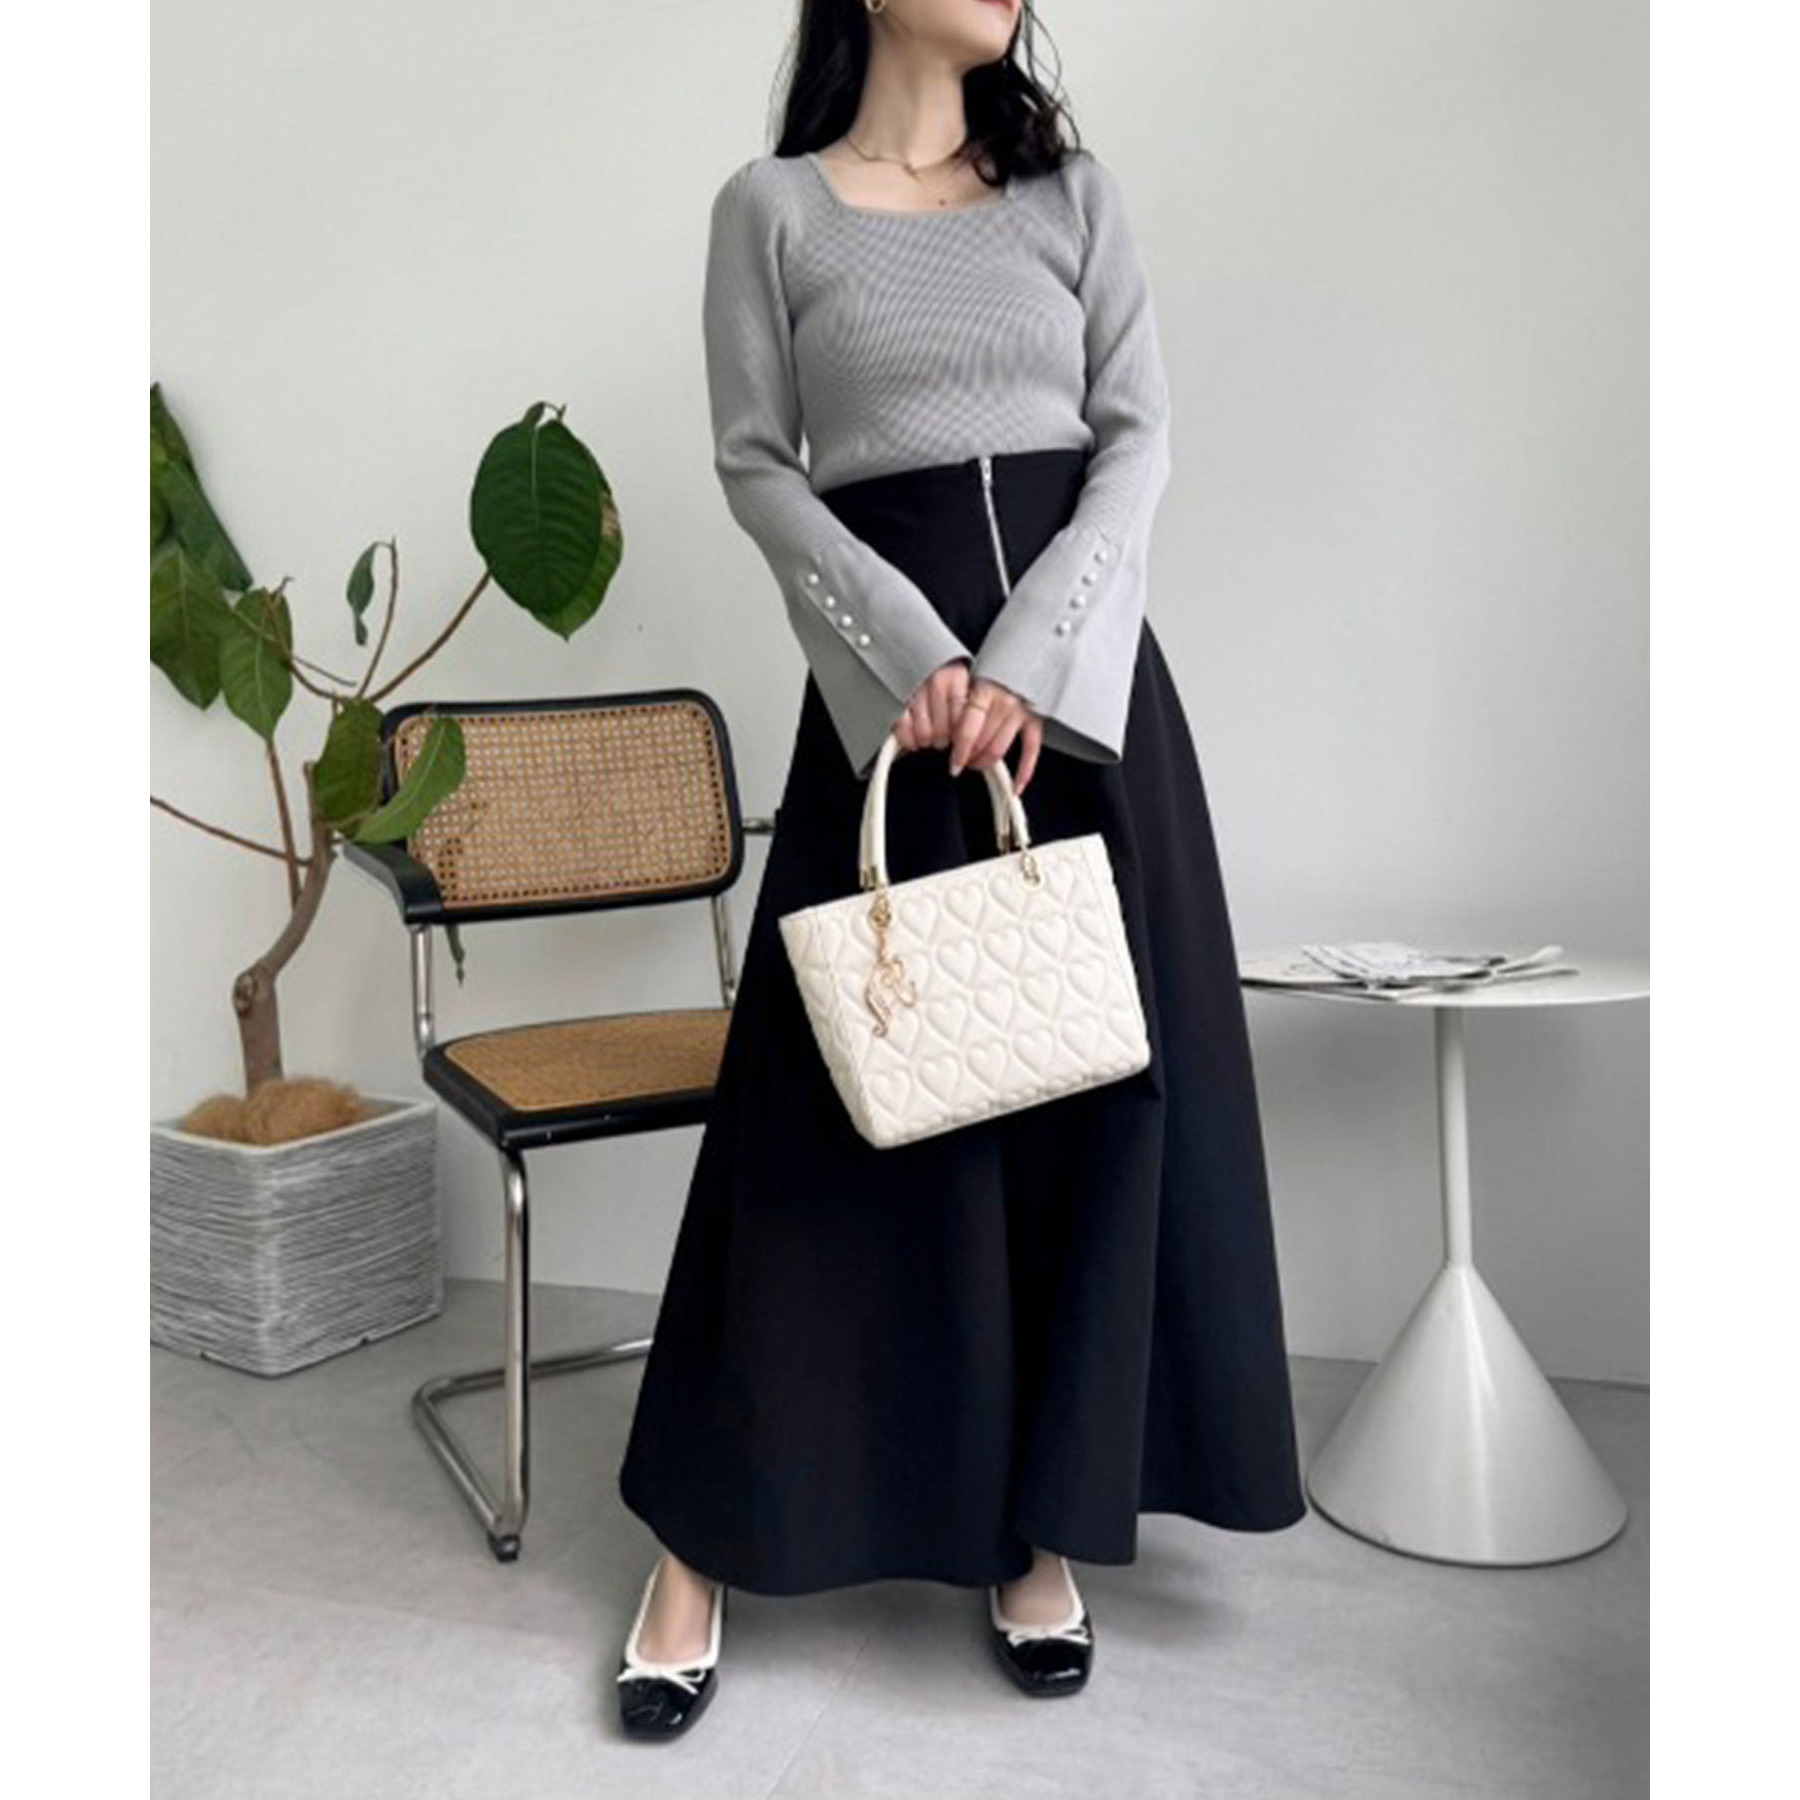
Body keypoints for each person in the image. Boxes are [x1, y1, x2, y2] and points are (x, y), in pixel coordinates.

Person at [613, 0, 1307, 1740]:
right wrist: (917, 654)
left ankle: (1036, 1532)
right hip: (889, 714)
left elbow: (1137, 442)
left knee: (1078, 1111)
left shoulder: (1075, 198)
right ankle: (701, 1543)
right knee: (815, 1127)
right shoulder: (771, 211)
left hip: (1080, 712)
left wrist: (1026, 663)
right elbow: (756, 464)